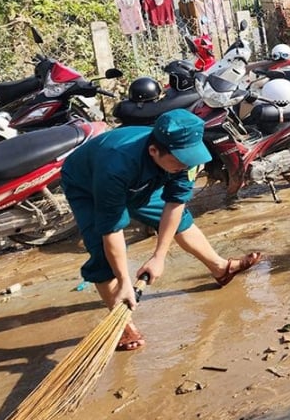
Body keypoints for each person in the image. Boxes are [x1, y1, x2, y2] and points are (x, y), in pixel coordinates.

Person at [61, 109, 263, 350]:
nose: (186, 164)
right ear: (154, 151)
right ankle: (121, 321)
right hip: (87, 185)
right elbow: (112, 230)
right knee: (103, 256)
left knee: (182, 221)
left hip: (145, 177)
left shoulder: (181, 160)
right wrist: (126, 280)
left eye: (190, 158)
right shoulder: (115, 166)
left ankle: (221, 268)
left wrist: (159, 256)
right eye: (180, 160)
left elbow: (175, 204)